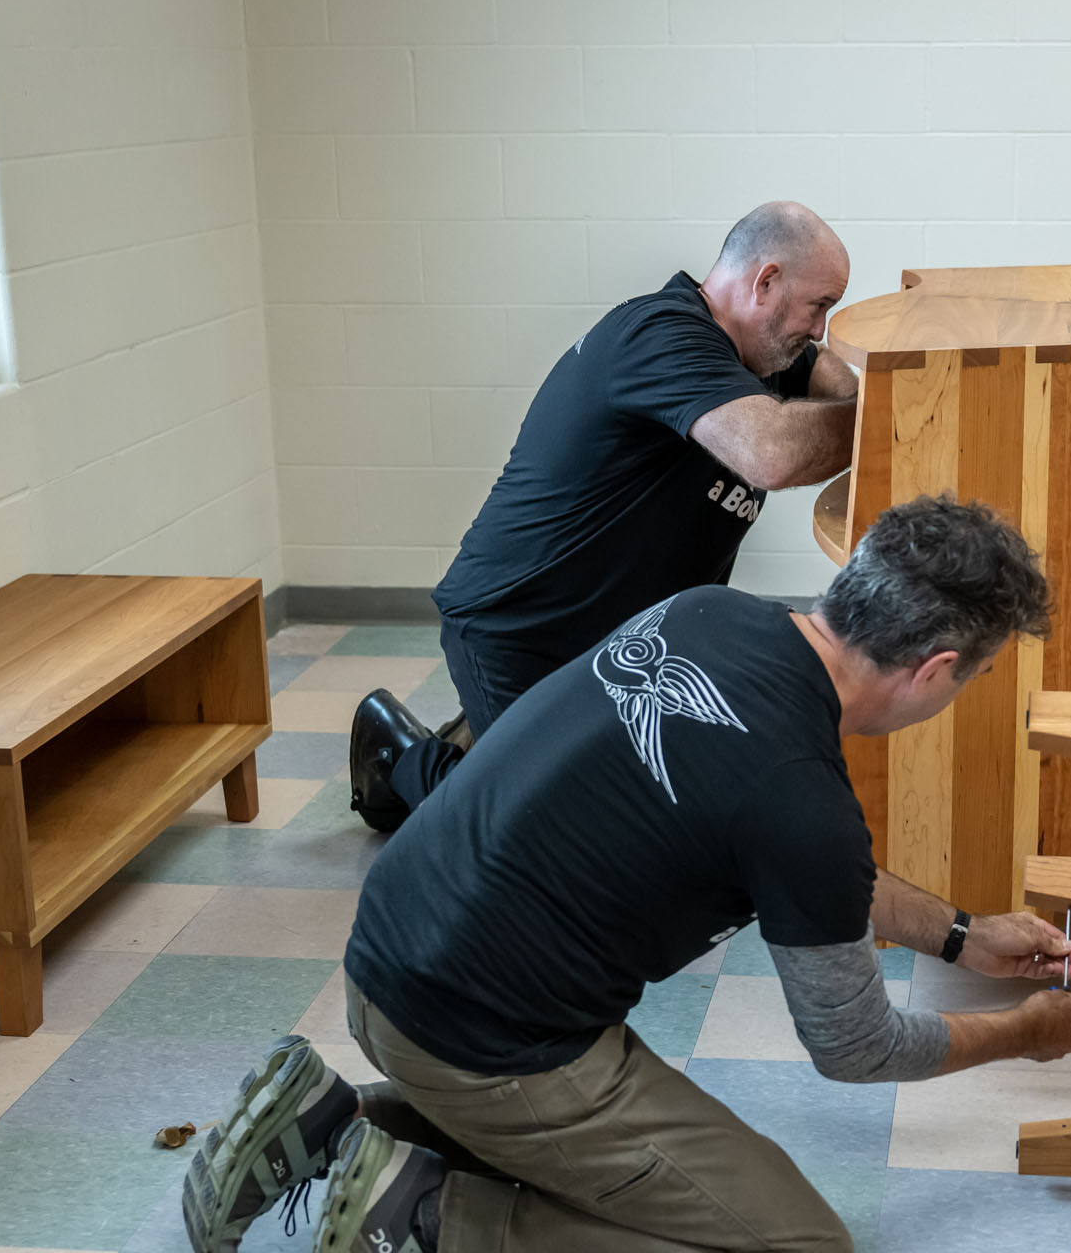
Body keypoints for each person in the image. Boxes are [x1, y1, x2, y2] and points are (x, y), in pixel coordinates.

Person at [187, 498, 1071, 1253]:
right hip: (489, 1048)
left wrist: (963, 936)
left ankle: (327, 1124)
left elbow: (812, 872)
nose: (962, 691)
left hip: (386, 961)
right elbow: (854, 1046)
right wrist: (1021, 1036)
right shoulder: (799, 802)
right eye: (974, 677)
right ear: (935, 670)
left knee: (632, 1165)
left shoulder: (708, 615)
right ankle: (425, 1224)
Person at [349, 200, 863, 832]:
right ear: (765, 283)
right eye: (820, 306)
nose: (819, 332)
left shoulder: (770, 352)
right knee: (547, 837)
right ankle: (400, 754)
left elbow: (841, 386)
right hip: (521, 629)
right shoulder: (662, 335)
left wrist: (863, 399)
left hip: (625, 644)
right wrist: (886, 418)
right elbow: (773, 454)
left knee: (656, 803)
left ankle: (496, 740)